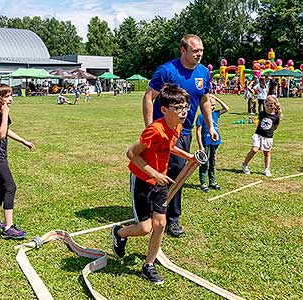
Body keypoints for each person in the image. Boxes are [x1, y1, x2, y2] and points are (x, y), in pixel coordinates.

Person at [112, 83, 193, 284]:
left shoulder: (177, 127)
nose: (183, 112)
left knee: (161, 224)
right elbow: (131, 154)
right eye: (178, 108)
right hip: (142, 180)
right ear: (164, 110)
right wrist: (154, 173)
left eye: (186, 107)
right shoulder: (154, 130)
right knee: (145, 228)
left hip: (160, 181)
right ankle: (119, 232)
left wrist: (188, 156)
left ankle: (149, 265)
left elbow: (169, 147)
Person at [142, 34, 217, 237]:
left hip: (184, 132)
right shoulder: (167, 71)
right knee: (158, 171)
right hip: (162, 133)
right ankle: (155, 209)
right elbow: (149, 96)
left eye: (201, 50)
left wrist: (211, 125)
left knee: (176, 172)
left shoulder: (203, 72)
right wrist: (150, 128)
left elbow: (204, 100)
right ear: (183, 50)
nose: (199, 54)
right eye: (195, 50)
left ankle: (171, 217)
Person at [0, 82, 35, 239]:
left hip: (0, 155)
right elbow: (1, 133)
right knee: (10, 187)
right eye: (7, 96)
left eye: (10, 95)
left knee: (1, 187)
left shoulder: (0, 112)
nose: (11, 99)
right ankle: (8, 228)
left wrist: (23, 141)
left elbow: (7, 130)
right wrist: (5, 113)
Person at [241, 95, 282, 177]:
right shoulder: (262, 113)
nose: (268, 107)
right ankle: (244, 164)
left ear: (274, 105)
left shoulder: (276, 117)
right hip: (258, 135)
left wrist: (269, 132)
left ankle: (267, 169)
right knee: (254, 150)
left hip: (268, 137)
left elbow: (275, 127)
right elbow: (259, 123)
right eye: (266, 105)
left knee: (267, 153)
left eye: (270, 105)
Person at [196, 95, 229, 192]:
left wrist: (217, 99)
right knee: (204, 163)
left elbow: (226, 108)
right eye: (211, 105)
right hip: (206, 143)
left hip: (215, 142)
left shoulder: (216, 114)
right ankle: (203, 183)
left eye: (214, 105)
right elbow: (198, 131)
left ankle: (212, 182)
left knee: (212, 163)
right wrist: (200, 145)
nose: (213, 107)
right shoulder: (201, 116)